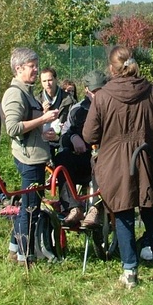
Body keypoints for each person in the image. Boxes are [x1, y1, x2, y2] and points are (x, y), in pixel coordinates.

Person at [83, 45, 153, 288]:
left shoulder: (102, 96)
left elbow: (89, 134)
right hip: (145, 158)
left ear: (111, 68)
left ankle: (130, 271)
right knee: (150, 210)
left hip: (114, 162)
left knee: (122, 214)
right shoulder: (150, 91)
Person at [2, 48, 60, 266]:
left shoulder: (26, 91)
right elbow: (13, 127)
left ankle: (14, 248)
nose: (36, 69)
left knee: (29, 203)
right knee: (30, 208)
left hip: (35, 155)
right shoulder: (15, 93)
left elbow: (28, 126)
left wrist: (43, 131)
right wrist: (43, 119)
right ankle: (25, 257)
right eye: (31, 66)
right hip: (28, 159)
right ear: (18, 69)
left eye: (36, 65)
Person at [54, 70, 107, 227]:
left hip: (105, 159)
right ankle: (74, 207)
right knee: (62, 158)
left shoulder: (112, 107)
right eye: (94, 91)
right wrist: (72, 137)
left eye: (100, 91)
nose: (97, 95)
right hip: (82, 158)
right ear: (86, 90)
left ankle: (95, 208)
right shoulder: (76, 110)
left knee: (98, 159)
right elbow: (63, 138)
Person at [39, 67, 76, 149]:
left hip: (64, 137)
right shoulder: (37, 100)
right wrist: (42, 113)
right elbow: (33, 124)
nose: (47, 84)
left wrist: (65, 126)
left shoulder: (69, 99)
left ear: (56, 79)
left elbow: (75, 122)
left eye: (50, 80)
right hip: (44, 139)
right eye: (44, 81)